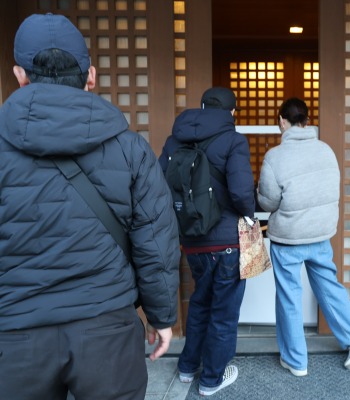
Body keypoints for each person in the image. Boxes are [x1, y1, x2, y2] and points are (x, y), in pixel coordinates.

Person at [0, 13, 181, 400]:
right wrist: (162, 316)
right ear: (91, 76)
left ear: (20, 75)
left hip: (14, 335)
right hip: (107, 332)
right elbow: (155, 239)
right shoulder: (130, 149)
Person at [257, 97, 350, 376]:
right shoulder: (326, 150)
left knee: (289, 295)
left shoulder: (275, 156)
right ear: (307, 121)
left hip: (288, 238)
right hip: (320, 234)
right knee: (328, 286)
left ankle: (296, 361)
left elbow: (267, 202)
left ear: (282, 122)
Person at [159, 87, 255, 396]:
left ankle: (188, 367)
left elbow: (160, 186)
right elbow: (241, 191)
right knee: (223, 312)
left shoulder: (174, 141)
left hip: (192, 241)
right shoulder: (233, 140)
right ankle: (212, 378)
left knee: (200, 302)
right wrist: (249, 215)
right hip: (227, 241)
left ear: (201, 107)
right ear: (232, 112)